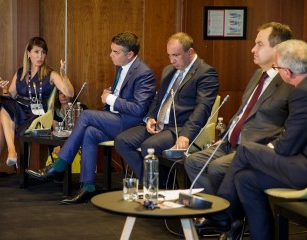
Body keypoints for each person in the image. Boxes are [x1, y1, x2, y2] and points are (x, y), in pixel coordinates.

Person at [195, 39, 307, 240]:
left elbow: (288, 146)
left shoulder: (302, 92)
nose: (278, 71)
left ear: (288, 73)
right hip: (299, 162)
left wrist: (268, 150)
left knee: (246, 150)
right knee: (244, 178)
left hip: (302, 168)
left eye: (278, 67)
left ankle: (221, 214)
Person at [26, 32, 156, 203]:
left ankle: (58, 166)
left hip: (131, 124)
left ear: (129, 54)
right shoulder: (122, 67)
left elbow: (139, 109)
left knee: (86, 115)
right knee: (90, 132)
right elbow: (121, 97)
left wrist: (111, 99)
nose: (111, 55)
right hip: (116, 118)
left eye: (115, 52)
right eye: (111, 50)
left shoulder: (144, 73)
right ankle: (87, 187)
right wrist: (111, 95)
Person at [184, 22, 294, 194]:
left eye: (259, 44)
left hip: (255, 147)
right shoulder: (258, 74)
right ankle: (216, 211)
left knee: (216, 168)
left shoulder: (289, 82)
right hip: (230, 142)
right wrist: (227, 134)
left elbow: (292, 126)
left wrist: (270, 148)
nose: (253, 49)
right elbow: (243, 111)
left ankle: (226, 215)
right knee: (192, 162)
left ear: (277, 49)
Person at [114, 32, 219, 185]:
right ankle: (153, 182)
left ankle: (159, 185)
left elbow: (202, 109)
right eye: (169, 55)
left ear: (190, 52)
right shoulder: (169, 70)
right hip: (159, 124)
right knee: (122, 141)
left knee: (149, 147)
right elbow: (159, 98)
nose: (171, 60)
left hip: (178, 127)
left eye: (176, 55)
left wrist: (185, 135)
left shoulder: (206, 73)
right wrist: (150, 117)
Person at [0, 37, 74, 188]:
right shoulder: (20, 73)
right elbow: (9, 97)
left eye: (43, 53)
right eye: (36, 52)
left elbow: (69, 92)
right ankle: (6, 156)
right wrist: (4, 88)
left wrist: (63, 75)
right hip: (20, 110)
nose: (40, 56)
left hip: (38, 115)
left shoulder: (51, 74)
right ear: (28, 53)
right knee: (3, 108)